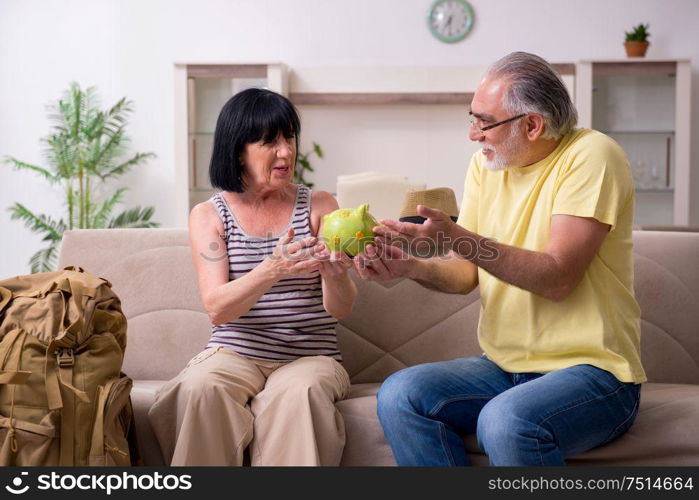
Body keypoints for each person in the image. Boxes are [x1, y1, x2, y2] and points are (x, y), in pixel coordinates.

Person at [354, 52, 645, 466]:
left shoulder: (593, 155)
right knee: (402, 394)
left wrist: (457, 236)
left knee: (505, 421)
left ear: (532, 124)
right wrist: (410, 267)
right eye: (471, 118)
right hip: (505, 368)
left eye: (484, 122)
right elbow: (464, 274)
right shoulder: (485, 166)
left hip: (596, 374)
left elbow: (558, 277)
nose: (473, 134)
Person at [148, 88, 356, 466]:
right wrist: (273, 268)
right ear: (238, 149)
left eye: (289, 138)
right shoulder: (210, 215)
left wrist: (336, 273)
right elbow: (217, 309)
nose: (286, 152)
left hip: (311, 355)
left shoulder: (320, 206)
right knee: (200, 388)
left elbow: (340, 309)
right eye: (270, 142)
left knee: (299, 393)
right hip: (235, 353)